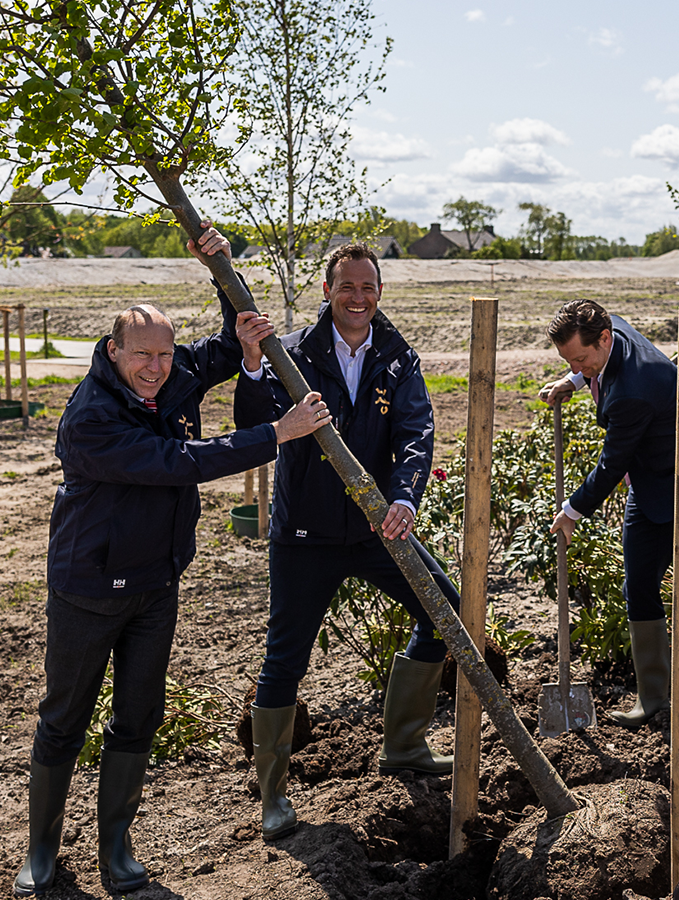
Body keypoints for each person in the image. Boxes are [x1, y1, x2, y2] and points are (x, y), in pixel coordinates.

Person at [23, 303, 330, 895]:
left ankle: (116, 846)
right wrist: (276, 433)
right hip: (88, 588)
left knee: (138, 716)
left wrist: (220, 268)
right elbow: (179, 461)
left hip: (156, 586)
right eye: (142, 354)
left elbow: (225, 344)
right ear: (113, 350)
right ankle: (42, 851)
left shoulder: (174, 373)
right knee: (64, 718)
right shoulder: (91, 417)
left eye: (164, 354)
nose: (155, 368)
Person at [195, 229, 461, 842]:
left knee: (441, 608)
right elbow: (253, 425)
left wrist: (403, 498)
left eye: (368, 287)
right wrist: (253, 363)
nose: (358, 297)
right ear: (326, 290)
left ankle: (404, 746)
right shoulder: (293, 352)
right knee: (285, 656)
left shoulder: (398, 355)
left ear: (380, 291)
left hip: (374, 527)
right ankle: (272, 795)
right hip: (305, 533)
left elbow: (416, 430)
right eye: (347, 287)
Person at [541, 299, 679, 727]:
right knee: (639, 585)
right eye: (569, 360)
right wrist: (574, 379)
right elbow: (592, 363)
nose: (577, 365)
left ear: (604, 339)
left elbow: (612, 464)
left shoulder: (635, 388)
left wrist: (571, 511)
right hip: (650, 484)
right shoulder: (611, 328)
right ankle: (654, 698)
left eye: (581, 359)